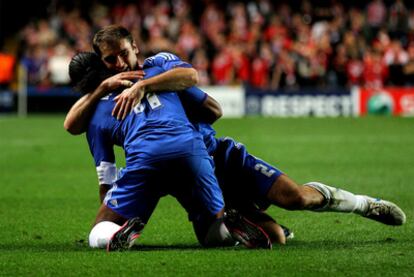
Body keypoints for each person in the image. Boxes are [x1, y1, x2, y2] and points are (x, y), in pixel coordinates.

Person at [66, 25, 405, 247]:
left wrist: (152, 93)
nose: (120, 63)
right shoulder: (118, 96)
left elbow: (207, 101)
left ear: (134, 47)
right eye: (112, 60)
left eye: (123, 54)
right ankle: (238, 219)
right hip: (196, 160)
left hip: (215, 155)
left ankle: (365, 204)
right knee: (274, 237)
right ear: (103, 66)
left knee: (297, 198)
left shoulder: (162, 68)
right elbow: (212, 109)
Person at [68, 51, 276, 251]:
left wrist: (114, 207)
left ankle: (115, 234)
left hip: (145, 163)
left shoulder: (96, 114)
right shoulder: (160, 74)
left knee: (99, 229)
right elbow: (214, 109)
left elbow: (105, 176)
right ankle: (231, 228)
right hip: (191, 153)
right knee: (210, 233)